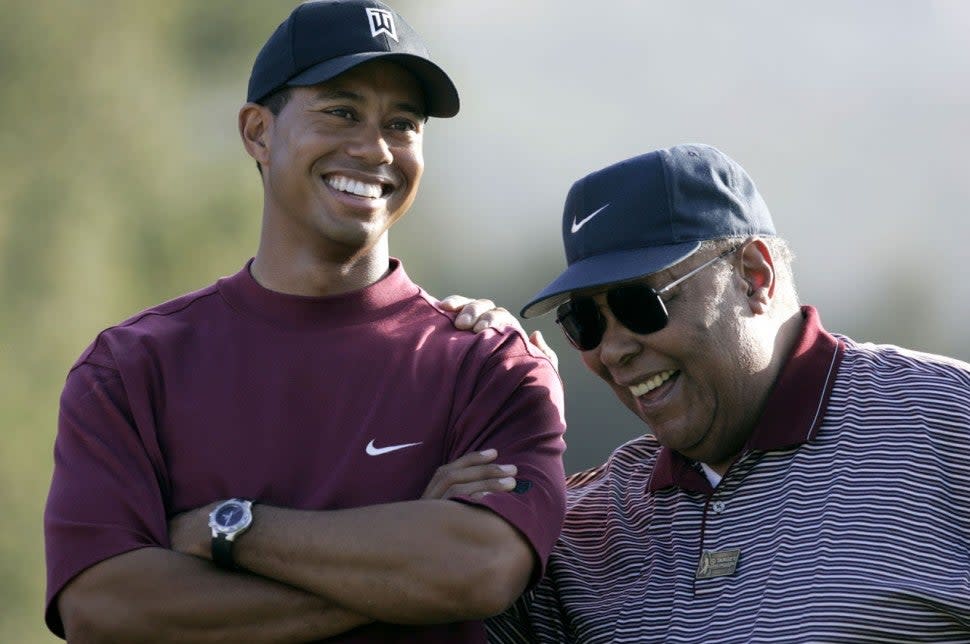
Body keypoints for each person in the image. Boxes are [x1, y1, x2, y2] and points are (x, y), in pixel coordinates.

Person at [43, 1, 566, 641]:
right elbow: (104, 611)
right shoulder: (130, 368)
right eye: (341, 112)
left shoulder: (492, 364)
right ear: (258, 133)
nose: (375, 148)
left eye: (402, 124)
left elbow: (481, 569)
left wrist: (226, 528)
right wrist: (405, 568)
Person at [475, 143, 970, 642]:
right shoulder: (584, 524)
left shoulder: (947, 420)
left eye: (639, 303)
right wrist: (453, 358)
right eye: (584, 321)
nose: (613, 350)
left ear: (755, 277)